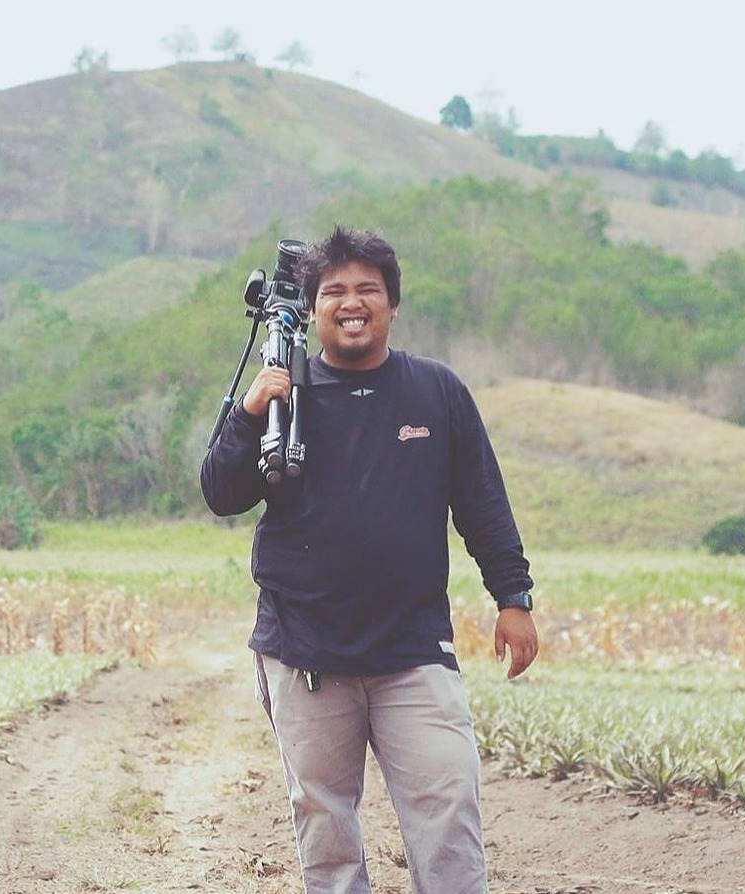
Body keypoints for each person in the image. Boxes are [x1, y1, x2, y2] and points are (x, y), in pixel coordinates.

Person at [201, 224, 538, 894]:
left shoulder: (436, 391)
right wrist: (249, 411)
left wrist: (514, 598)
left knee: (448, 806)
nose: (351, 302)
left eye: (367, 290)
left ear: (392, 305)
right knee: (324, 821)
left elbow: (482, 504)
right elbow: (221, 493)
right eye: (334, 291)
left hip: (413, 648)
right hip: (304, 649)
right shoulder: (283, 396)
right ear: (313, 309)